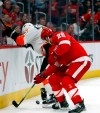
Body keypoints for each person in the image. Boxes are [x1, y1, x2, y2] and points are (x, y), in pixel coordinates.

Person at [33, 27, 92, 113]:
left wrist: (54, 55)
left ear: (46, 37)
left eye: (44, 40)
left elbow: (65, 45)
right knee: (53, 79)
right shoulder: (53, 47)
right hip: (72, 63)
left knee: (66, 81)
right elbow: (55, 65)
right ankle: (62, 102)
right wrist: (43, 75)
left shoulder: (58, 35)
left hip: (81, 60)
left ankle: (79, 103)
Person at [14, 23, 56, 107]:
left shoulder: (31, 31)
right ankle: (48, 95)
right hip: (53, 53)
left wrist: (13, 34)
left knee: (42, 75)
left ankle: (53, 96)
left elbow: (21, 41)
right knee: (45, 75)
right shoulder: (38, 31)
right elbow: (28, 43)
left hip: (51, 54)